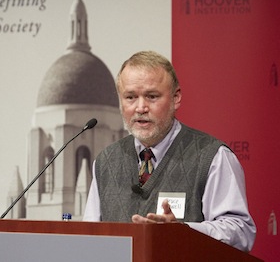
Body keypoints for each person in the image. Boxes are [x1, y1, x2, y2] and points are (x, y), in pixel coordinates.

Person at [83, 50, 256, 252]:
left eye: (152, 96)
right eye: (130, 97)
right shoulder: (106, 161)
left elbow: (241, 232)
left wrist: (183, 232)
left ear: (176, 98)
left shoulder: (213, 156)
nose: (140, 107)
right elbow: (91, 235)